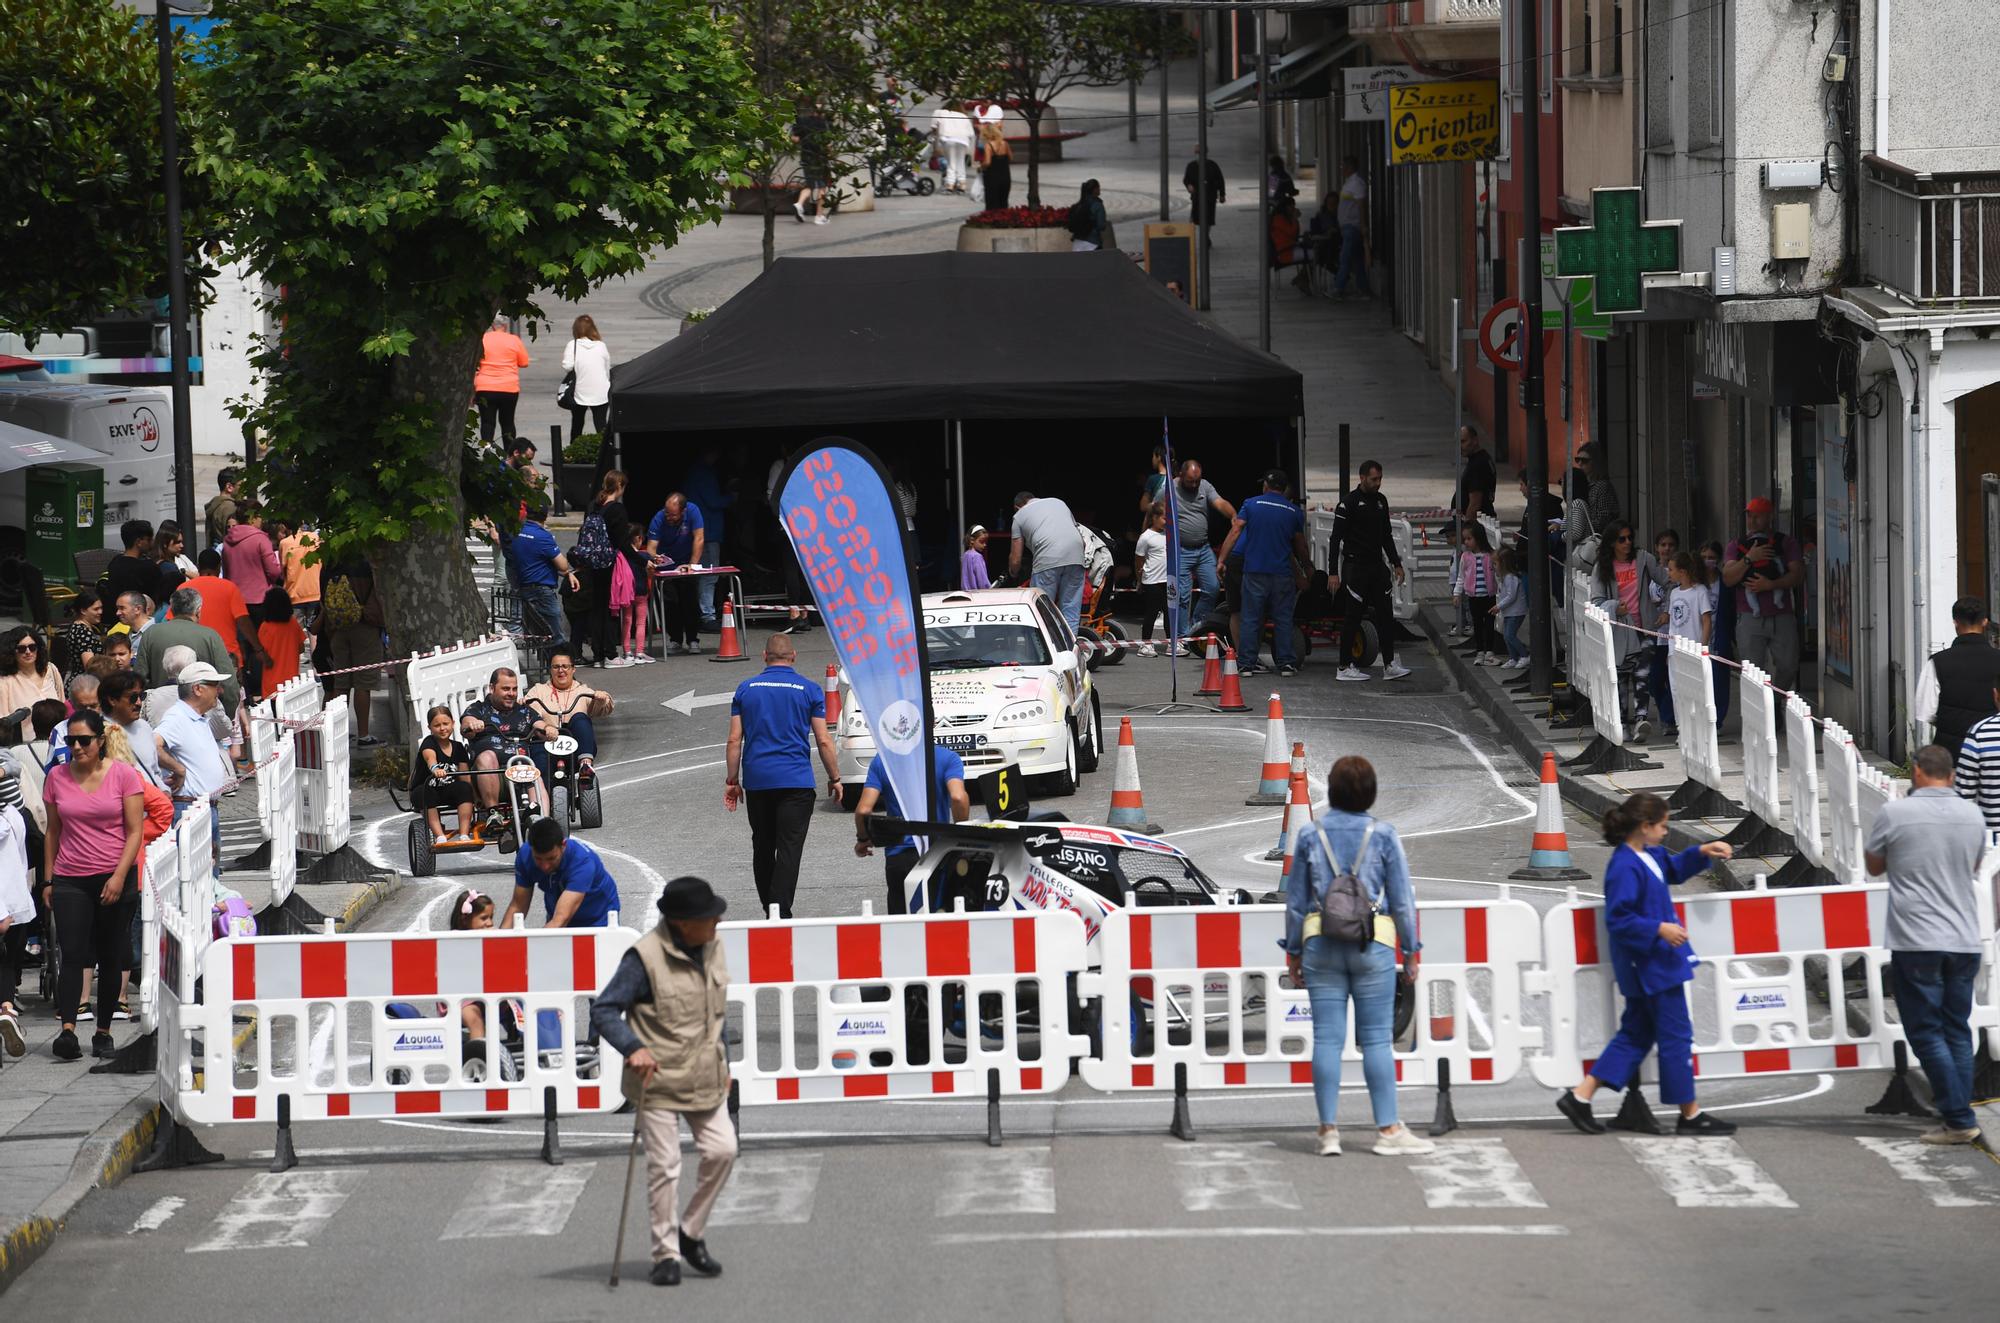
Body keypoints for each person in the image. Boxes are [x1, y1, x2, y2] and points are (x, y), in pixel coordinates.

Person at [1555, 793, 1737, 1136]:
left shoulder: (1642, 855)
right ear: (1645, 826)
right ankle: (1690, 1114)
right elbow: (1619, 918)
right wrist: (1659, 928)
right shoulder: (1626, 865)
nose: (1666, 833)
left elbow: (1671, 869)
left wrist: (1701, 851)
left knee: (1636, 1034)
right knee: (1676, 1037)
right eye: (1663, 826)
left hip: (1649, 963)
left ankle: (1581, 1097)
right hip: (1652, 964)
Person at [588, 876, 736, 1289]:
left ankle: (690, 1232)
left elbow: (716, 1013)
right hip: (656, 1080)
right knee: (665, 1168)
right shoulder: (644, 959)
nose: (718, 920)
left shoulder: (713, 945)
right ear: (683, 922)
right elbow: (604, 1011)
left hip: (705, 1074)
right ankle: (665, 1255)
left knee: (723, 1150)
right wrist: (633, 1047)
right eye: (710, 916)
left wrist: (726, 1066)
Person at [1282, 755, 1432, 1157]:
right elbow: (1402, 901)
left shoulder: (1310, 836)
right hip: (1373, 945)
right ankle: (1387, 1130)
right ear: (1371, 793)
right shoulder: (1383, 835)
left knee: (1327, 1039)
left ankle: (1328, 1131)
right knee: (1378, 1041)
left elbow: (1296, 902)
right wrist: (1412, 949)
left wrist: (1293, 951)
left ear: (1330, 791)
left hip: (1320, 943)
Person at [1864, 745, 1988, 1145]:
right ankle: (1957, 1110)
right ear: (1951, 775)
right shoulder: (1973, 814)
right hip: (1965, 937)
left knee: (1925, 1030)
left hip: (1917, 938)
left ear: (1916, 772)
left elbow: (1874, 865)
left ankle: (1958, 1117)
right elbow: (1972, 865)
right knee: (1956, 1029)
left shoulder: (1896, 813)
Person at [40, 708, 146, 1062]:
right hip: (71, 876)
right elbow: (53, 832)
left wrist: (118, 876)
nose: (77, 747)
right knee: (71, 952)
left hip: (114, 874)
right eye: (71, 741)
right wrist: (49, 879)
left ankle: (103, 1031)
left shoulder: (123, 775)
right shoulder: (56, 777)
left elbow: (135, 832)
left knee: (110, 951)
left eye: (84, 741)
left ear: (100, 741)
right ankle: (68, 1029)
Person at [724, 634, 840, 919]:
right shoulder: (809, 690)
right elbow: (824, 740)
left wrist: (732, 781)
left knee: (762, 844)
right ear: (794, 656)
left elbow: (734, 740)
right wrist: (835, 778)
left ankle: (769, 907)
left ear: (765, 656)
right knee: (789, 848)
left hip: (758, 781)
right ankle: (780, 910)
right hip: (796, 781)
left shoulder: (745, 689)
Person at [852, 744, 971, 914]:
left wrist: (863, 839)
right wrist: (961, 836)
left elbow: (863, 810)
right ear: (932, 724)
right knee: (940, 921)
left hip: (899, 855)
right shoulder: (948, 758)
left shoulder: (882, 761)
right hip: (937, 853)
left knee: (901, 923)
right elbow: (958, 797)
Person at [1217, 470, 1308, 678]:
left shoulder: (1251, 504)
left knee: (1251, 618)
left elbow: (1236, 531)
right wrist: (1306, 568)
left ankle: (1246, 664)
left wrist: (1222, 559)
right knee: (1283, 619)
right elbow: (1300, 545)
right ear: (1284, 488)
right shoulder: (1293, 511)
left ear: (1266, 485)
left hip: (1255, 571)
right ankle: (1286, 664)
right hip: (1282, 574)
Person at [1324, 461, 1409, 683]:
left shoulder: (1381, 501)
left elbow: (1386, 536)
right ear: (1362, 478)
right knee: (1353, 616)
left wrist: (1396, 563)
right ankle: (1344, 666)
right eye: (1374, 479)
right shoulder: (1348, 504)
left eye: (1380, 478)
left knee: (1385, 615)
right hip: (1355, 567)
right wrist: (1333, 572)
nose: (1378, 483)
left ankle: (1389, 664)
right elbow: (1335, 540)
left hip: (1376, 567)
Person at [1591, 520, 1667, 741]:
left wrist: (1668, 609)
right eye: (1621, 539)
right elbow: (1596, 600)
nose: (1627, 543)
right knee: (1622, 677)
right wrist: (1615, 606)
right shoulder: (1602, 567)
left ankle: (1641, 719)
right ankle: (1623, 722)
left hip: (1644, 628)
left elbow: (1668, 581)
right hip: (1620, 631)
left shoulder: (1644, 560)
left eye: (1629, 538)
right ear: (1612, 543)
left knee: (1642, 674)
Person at [155, 662, 233, 871]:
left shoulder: (198, 717)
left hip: (204, 807)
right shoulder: (178, 716)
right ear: (198, 689)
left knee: (208, 875)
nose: (220, 690)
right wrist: (178, 769)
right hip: (189, 808)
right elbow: (155, 744)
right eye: (214, 685)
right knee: (193, 875)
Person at [1722, 497, 1806, 692]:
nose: (1752, 521)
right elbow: (1728, 578)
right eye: (1750, 516)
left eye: (1758, 517)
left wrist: (1772, 584)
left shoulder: (1786, 543)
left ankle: (1775, 702)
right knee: (1753, 672)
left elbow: (1798, 574)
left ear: (1770, 517)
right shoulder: (1736, 546)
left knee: (1789, 665)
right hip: (1749, 616)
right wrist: (1749, 558)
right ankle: (1760, 714)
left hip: (1781, 614)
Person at [1913, 597, 2000, 758]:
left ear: (1955, 622)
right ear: (1985, 622)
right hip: (1993, 751)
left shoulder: (1937, 662)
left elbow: (1926, 710)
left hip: (1950, 753)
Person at [502, 816, 622, 929]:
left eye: (551, 858)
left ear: (563, 846)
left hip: (597, 918)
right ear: (531, 848)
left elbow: (560, 920)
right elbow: (518, 905)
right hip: (556, 913)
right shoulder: (525, 855)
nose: (545, 866)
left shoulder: (582, 861)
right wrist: (496, 944)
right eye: (538, 859)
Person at [462, 668, 542, 823]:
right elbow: (466, 726)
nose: (511, 693)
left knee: (536, 776)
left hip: (521, 771)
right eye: (506, 689)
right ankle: (493, 814)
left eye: (514, 689)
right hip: (490, 774)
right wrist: (473, 724)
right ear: (492, 688)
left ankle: (541, 822)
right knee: (487, 756)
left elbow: (540, 725)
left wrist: (548, 729)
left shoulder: (524, 711)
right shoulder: (478, 709)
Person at [320, 561, 387, 746]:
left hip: (337, 628)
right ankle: (363, 734)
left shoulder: (330, 563)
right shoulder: (367, 562)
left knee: (340, 683)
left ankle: (337, 732)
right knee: (362, 684)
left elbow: (322, 598)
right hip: (365, 626)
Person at [524, 648, 613, 780]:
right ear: (550, 670)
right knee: (539, 768)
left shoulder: (582, 690)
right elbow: (530, 712)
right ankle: (543, 796)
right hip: (546, 743)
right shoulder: (538, 690)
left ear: (573, 669)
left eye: (565, 666)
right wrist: (523, 703)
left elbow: (604, 708)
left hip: (575, 747)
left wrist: (603, 698)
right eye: (556, 667)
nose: (561, 671)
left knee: (580, 718)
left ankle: (585, 765)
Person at [1167, 460, 1235, 633]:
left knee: (1212, 588)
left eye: (1197, 480)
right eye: (1191, 481)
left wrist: (1233, 515)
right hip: (1180, 550)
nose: (1195, 484)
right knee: (1182, 595)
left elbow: (1220, 502)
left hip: (1203, 549)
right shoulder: (1169, 488)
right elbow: (1155, 509)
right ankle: (1183, 636)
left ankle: (1197, 626)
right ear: (1181, 476)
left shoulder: (1204, 486)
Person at [1007, 491, 1087, 630]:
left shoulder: (1018, 516)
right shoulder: (1058, 502)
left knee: (1043, 611)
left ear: (1017, 507)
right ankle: (1071, 647)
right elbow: (1082, 539)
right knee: (1071, 610)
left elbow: (1015, 559)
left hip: (1047, 560)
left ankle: (1047, 648)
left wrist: (1013, 573)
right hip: (1076, 556)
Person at [510, 501, 578, 660]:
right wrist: (568, 572)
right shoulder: (543, 536)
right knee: (555, 633)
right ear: (545, 516)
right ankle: (560, 665)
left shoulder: (517, 532)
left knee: (533, 631)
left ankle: (541, 663)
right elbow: (562, 564)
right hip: (542, 590)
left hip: (523, 586)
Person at [184, 548, 259, 682]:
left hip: (194, 658)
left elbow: (173, 621)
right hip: (227, 656)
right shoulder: (230, 588)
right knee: (232, 700)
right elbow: (243, 621)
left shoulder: (184, 589)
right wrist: (258, 648)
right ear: (219, 567)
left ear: (199, 566)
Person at [645, 493, 706, 656]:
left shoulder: (693, 511)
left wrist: (693, 565)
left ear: (683, 511)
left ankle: (693, 638)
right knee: (671, 604)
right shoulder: (659, 518)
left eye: (673, 514)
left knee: (690, 601)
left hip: (687, 562)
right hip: (668, 567)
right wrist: (655, 559)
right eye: (667, 513)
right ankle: (675, 639)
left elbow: (699, 538)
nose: (669, 517)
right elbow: (651, 547)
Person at [682, 449, 736, 630]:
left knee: (699, 575)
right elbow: (713, 501)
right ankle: (707, 615)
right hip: (709, 531)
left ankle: (699, 613)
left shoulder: (692, 473)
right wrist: (731, 497)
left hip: (698, 530)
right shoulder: (705, 474)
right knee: (709, 575)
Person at [412, 705, 476, 843]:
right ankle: (439, 835)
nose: (442, 728)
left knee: (464, 788)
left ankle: (464, 834)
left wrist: (473, 795)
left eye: (445, 724)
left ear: (453, 724)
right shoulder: (429, 742)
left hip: (448, 790)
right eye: (437, 725)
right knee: (425, 792)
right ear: (430, 728)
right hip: (426, 788)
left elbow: (464, 775)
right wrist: (435, 769)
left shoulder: (458, 747)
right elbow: (430, 758)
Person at [0, 793, 30, 1060]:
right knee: (6, 962)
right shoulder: (14, 815)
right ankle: (7, 1009)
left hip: (5, 907)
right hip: (15, 902)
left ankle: (6, 1011)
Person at [100, 671, 165, 788]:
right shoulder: (98, 731)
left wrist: (164, 789)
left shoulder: (144, 727)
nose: (139, 703)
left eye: (141, 696)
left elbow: (154, 771)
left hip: (155, 801)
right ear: (112, 700)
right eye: (133, 697)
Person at [474, 312, 531, 443]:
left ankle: (487, 449)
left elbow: (475, 362)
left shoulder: (483, 339)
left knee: (487, 422)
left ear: (492, 325)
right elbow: (524, 362)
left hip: (485, 387)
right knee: (508, 423)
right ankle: (509, 454)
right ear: (505, 325)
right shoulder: (514, 340)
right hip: (509, 387)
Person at [1454, 521, 1500, 666]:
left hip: (1489, 596)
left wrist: (1501, 594)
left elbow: (1498, 576)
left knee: (1490, 624)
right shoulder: (1465, 557)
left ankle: (1489, 652)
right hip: (1473, 597)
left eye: (1469, 539)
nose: (1466, 542)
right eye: (1465, 539)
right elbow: (1461, 576)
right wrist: (1457, 593)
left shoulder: (1491, 555)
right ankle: (1480, 651)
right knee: (1478, 625)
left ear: (1478, 538)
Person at [563, 314, 612, 442]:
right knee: (601, 424)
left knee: (577, 424)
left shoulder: (572, 345)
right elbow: (606, 369)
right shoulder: (601, 345)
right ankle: (606, 453)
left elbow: (567, 366)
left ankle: (572, 453)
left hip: (579, 391)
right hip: (601, 391)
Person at [271, 518, 322, 635]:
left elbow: (282, 571)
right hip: (316, 591)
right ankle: (313, 653)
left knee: (294, 635)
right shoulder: (318, 539)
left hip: (294, 593)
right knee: (314, 634)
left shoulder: (286, 543)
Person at [612, 521, 653, 665]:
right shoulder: (644, 556)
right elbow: (651, 570)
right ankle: (640, 653)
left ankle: (627, 651)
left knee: (627, 622)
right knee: (641, 622)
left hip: (626, 593)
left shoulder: (621, 556)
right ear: (638, 539)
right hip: (641, 592)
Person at [221, 507, 283, 602]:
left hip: (235, 598)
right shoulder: (261, 539)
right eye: (260, 516)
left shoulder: (227, 540)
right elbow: (273, 571)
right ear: (252, 519)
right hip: (259, 597)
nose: (262, 520)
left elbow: (226, 571)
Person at [1330, 155, 1370, 299]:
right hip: (1347, 227)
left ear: (1349, 167)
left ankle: (1338, 289)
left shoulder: (1357, 184)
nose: (1341, 169)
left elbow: (1361, 206)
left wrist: (1363, 225)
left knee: (1345, 258)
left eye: (1343, 167)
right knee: (1357, 260)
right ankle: (1364, 290)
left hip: (1352, 227)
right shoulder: (1349, 183)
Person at [1133, 506, 1170, 658]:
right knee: (1151, 613)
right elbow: (1139, 560)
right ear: (1154, 518)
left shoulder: (1169, 535)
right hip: (1152, 581)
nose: (1166, 522)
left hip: (1168, 581)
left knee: (1169, 614)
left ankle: (1171, 643)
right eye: (1164, 518)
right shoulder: (1146, 537)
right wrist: (1139, 580)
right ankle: (1145, 644)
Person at [0, 627, 65, 713]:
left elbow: (62, 704)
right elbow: (3, 719)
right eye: (21, 649)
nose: (28, 652)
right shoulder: (5, 681)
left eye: (32, 647)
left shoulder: (51, 669)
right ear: (12, 651)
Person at [257, 588, 306, 699]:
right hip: (292, 683)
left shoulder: (265, 626)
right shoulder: (293, 623)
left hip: (271, 686)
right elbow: (301, 648)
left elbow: (261, 654)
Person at [52, 589, 105, 687]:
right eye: (96, 609)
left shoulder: (77, 627)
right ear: (83, 610)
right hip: (84, 685)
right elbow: (90, 666)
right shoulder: (83, 632)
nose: (100, 612)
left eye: (101, 608)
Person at [104, 519, 163, 606]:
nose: (152, 543)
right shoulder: (148, 568)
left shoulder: (114, 562)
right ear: (139, 542)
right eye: (149, 539)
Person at [791, 106, 832, 224]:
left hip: (806, 157)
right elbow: (828, 144)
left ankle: (799, 204)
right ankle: (819, 216)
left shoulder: (803, 121)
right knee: (822, 187)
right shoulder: (823, 123)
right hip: (820, 158)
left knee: (810, 184)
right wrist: (830, 154)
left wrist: (805, 142)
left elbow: (795, 139)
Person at [1493, 545, 1529, 670]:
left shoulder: (1510, 578)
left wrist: (1498, 606)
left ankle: (1524, 655)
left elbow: (1511, 596)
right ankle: (1514, 657)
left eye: (1495, 563)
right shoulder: (1505, 578)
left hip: (1516, 611)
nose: (1494, 567)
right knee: (1507, 635)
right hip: (1510, 611)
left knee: (1509, 635)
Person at [931, 100, 976, 193]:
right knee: (960, 162)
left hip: (948, 138)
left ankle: (950, 184)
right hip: (963, 140)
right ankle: (962, 183)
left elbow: (933, 127)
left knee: (951, 162)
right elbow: (971, 134)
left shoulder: (939, 112)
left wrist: (936, 143)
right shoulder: (964, 116)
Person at [1270, 195, 1309, 291]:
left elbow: (1295, 234)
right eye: (1290, 206)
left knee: (1312, 251)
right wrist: (1295, 219)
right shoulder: (1278, 219)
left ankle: (1302, 277)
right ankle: (1302, 278)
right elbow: (1291, 232)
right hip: (1285, 252)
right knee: (1315, 255)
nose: (1293, 208)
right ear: (1284, 207)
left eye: (1293, 205)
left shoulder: (1284, 218)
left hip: (1290, 248)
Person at [1182, 143, 1225, 227]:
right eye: (1196, 153)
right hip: (1196, 198)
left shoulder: (1212, 165)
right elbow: (1186, 179)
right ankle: (1204, 238)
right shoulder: (1191, 166)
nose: (1198, 155)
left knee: (1208, 221)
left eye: (1200, 152)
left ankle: (1205, 238)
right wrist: (1189, 185)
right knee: (1196, 220)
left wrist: (1222, 195)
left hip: (1210, 198)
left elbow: (1220, 180)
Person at [153, 520, 194, 599]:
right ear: (165, 544)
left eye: (181, 542)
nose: (181, 546)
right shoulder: (169, 568)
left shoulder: (157, 562)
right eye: (177, 542)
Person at [203, 467, 241, 552]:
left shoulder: (214, 505)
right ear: (229, 487)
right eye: (240, 485)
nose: (243, 489)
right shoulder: (230, 507)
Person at [978, 121, 1012, 209]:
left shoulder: (988, 146)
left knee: (992, 201)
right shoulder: (1005, 143)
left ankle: (992, 219)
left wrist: (981, 167)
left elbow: (987, 162)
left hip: (992, 177)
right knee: (1003, 201)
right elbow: (1010, 157)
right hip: (1005, 175)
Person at [1066, 179, 1107, 252]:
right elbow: (1101, 225)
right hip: (1093, 243)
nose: (1099, 190)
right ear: (1094, 189)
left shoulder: (1079, 205)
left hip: (1077, 243)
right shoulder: (1098, 205)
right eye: (1098, 187)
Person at [959, 526, 992, 591]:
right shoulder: (977, 557)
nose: (985, 545)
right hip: (978, 595)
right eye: (982, 542)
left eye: (985, 542)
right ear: (972, 540)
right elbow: (982, 581)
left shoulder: (965, 555)